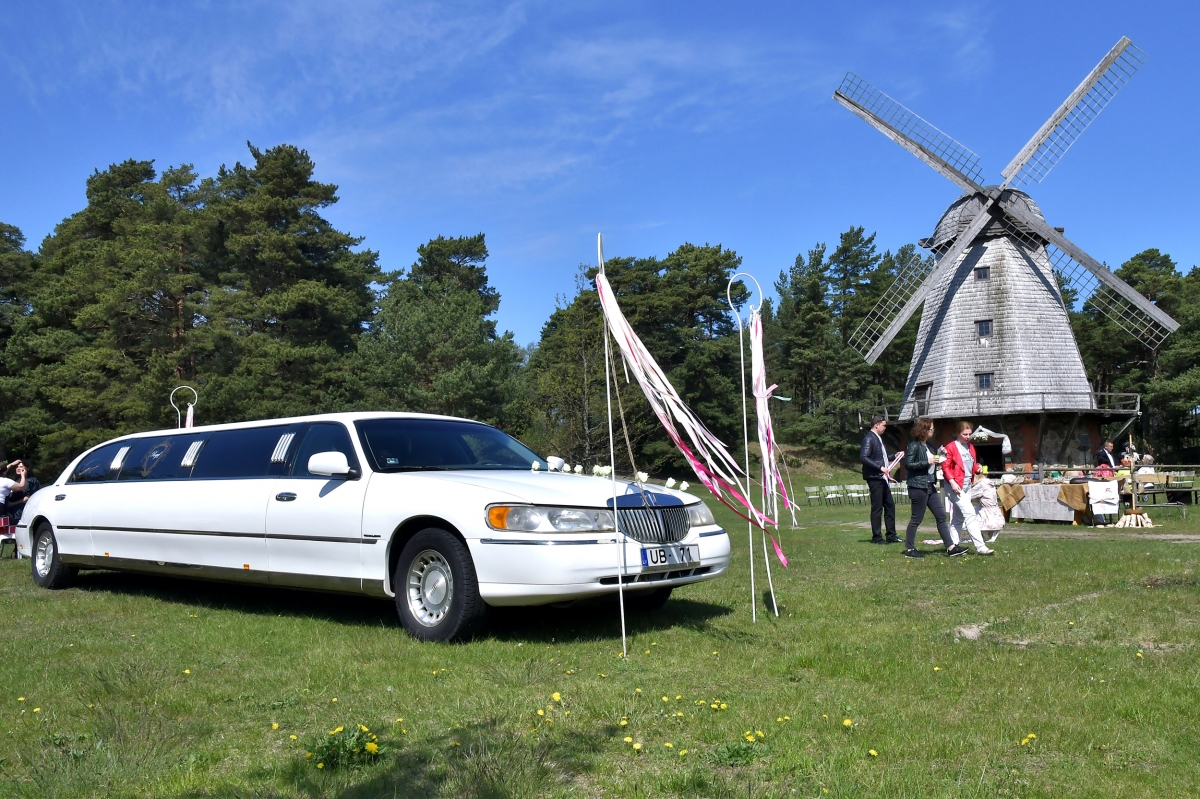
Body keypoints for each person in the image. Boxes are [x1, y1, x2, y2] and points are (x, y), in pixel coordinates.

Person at [902, 417, 967, 558]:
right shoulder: (914, 445)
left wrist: (940, 457)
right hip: (918, 486)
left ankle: (951, 547)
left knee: (941, 516)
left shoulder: (929, 446)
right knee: (916, 518)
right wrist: (928, 461)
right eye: (931, 428)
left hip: (930, 485)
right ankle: (909, 549)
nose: (933, 431)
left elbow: (931, 462)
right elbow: (908, 464)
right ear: (923, 430)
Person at [941, 421, 993, 555]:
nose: (968, 437)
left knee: (958, 518)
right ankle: (981, 547)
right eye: (965, 434)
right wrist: (952, 482)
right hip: (955, 485)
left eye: (970, 434)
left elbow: (971, 465)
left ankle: (953, 546)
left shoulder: (970, 447)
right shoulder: (951, 447)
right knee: (970, 514)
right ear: (958, 433)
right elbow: (945, 467)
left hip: (967, 485)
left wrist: (977, 469)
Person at [859, 415, 897, 544]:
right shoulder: (869, 438)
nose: (885, 428)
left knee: (890, 506)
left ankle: (891, 536)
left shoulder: (878, 438)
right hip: (875, 478)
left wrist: (894, 456)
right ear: (877, 425)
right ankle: (877, 537)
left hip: (882, 478)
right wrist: (880, 467)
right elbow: (864, 457)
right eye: (884, 425)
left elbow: (881, 457)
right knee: (877, 508)